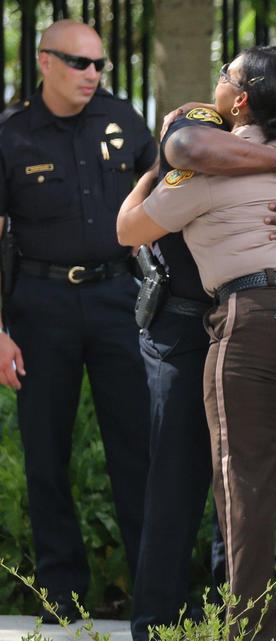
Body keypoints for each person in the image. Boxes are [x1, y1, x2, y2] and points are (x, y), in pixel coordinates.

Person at [118, 47, 276, 641]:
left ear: (241, 99)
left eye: (224, 76)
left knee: (244, 487)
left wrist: (155, 164)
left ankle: (250, 632)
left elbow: (127, 229)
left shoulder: (204, 170)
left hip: (258, 321)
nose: (217, 82)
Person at [0, 20, 153, 616]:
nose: (92, 74)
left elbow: (166, 204)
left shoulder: (124, 121)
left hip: (118, 298)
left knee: (137, 448)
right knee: (45, 453)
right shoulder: (12, 134)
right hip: (41, 306)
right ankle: (61, 594)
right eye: (79, 63)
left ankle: (154, 593)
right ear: (45, 62)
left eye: (99, 65)